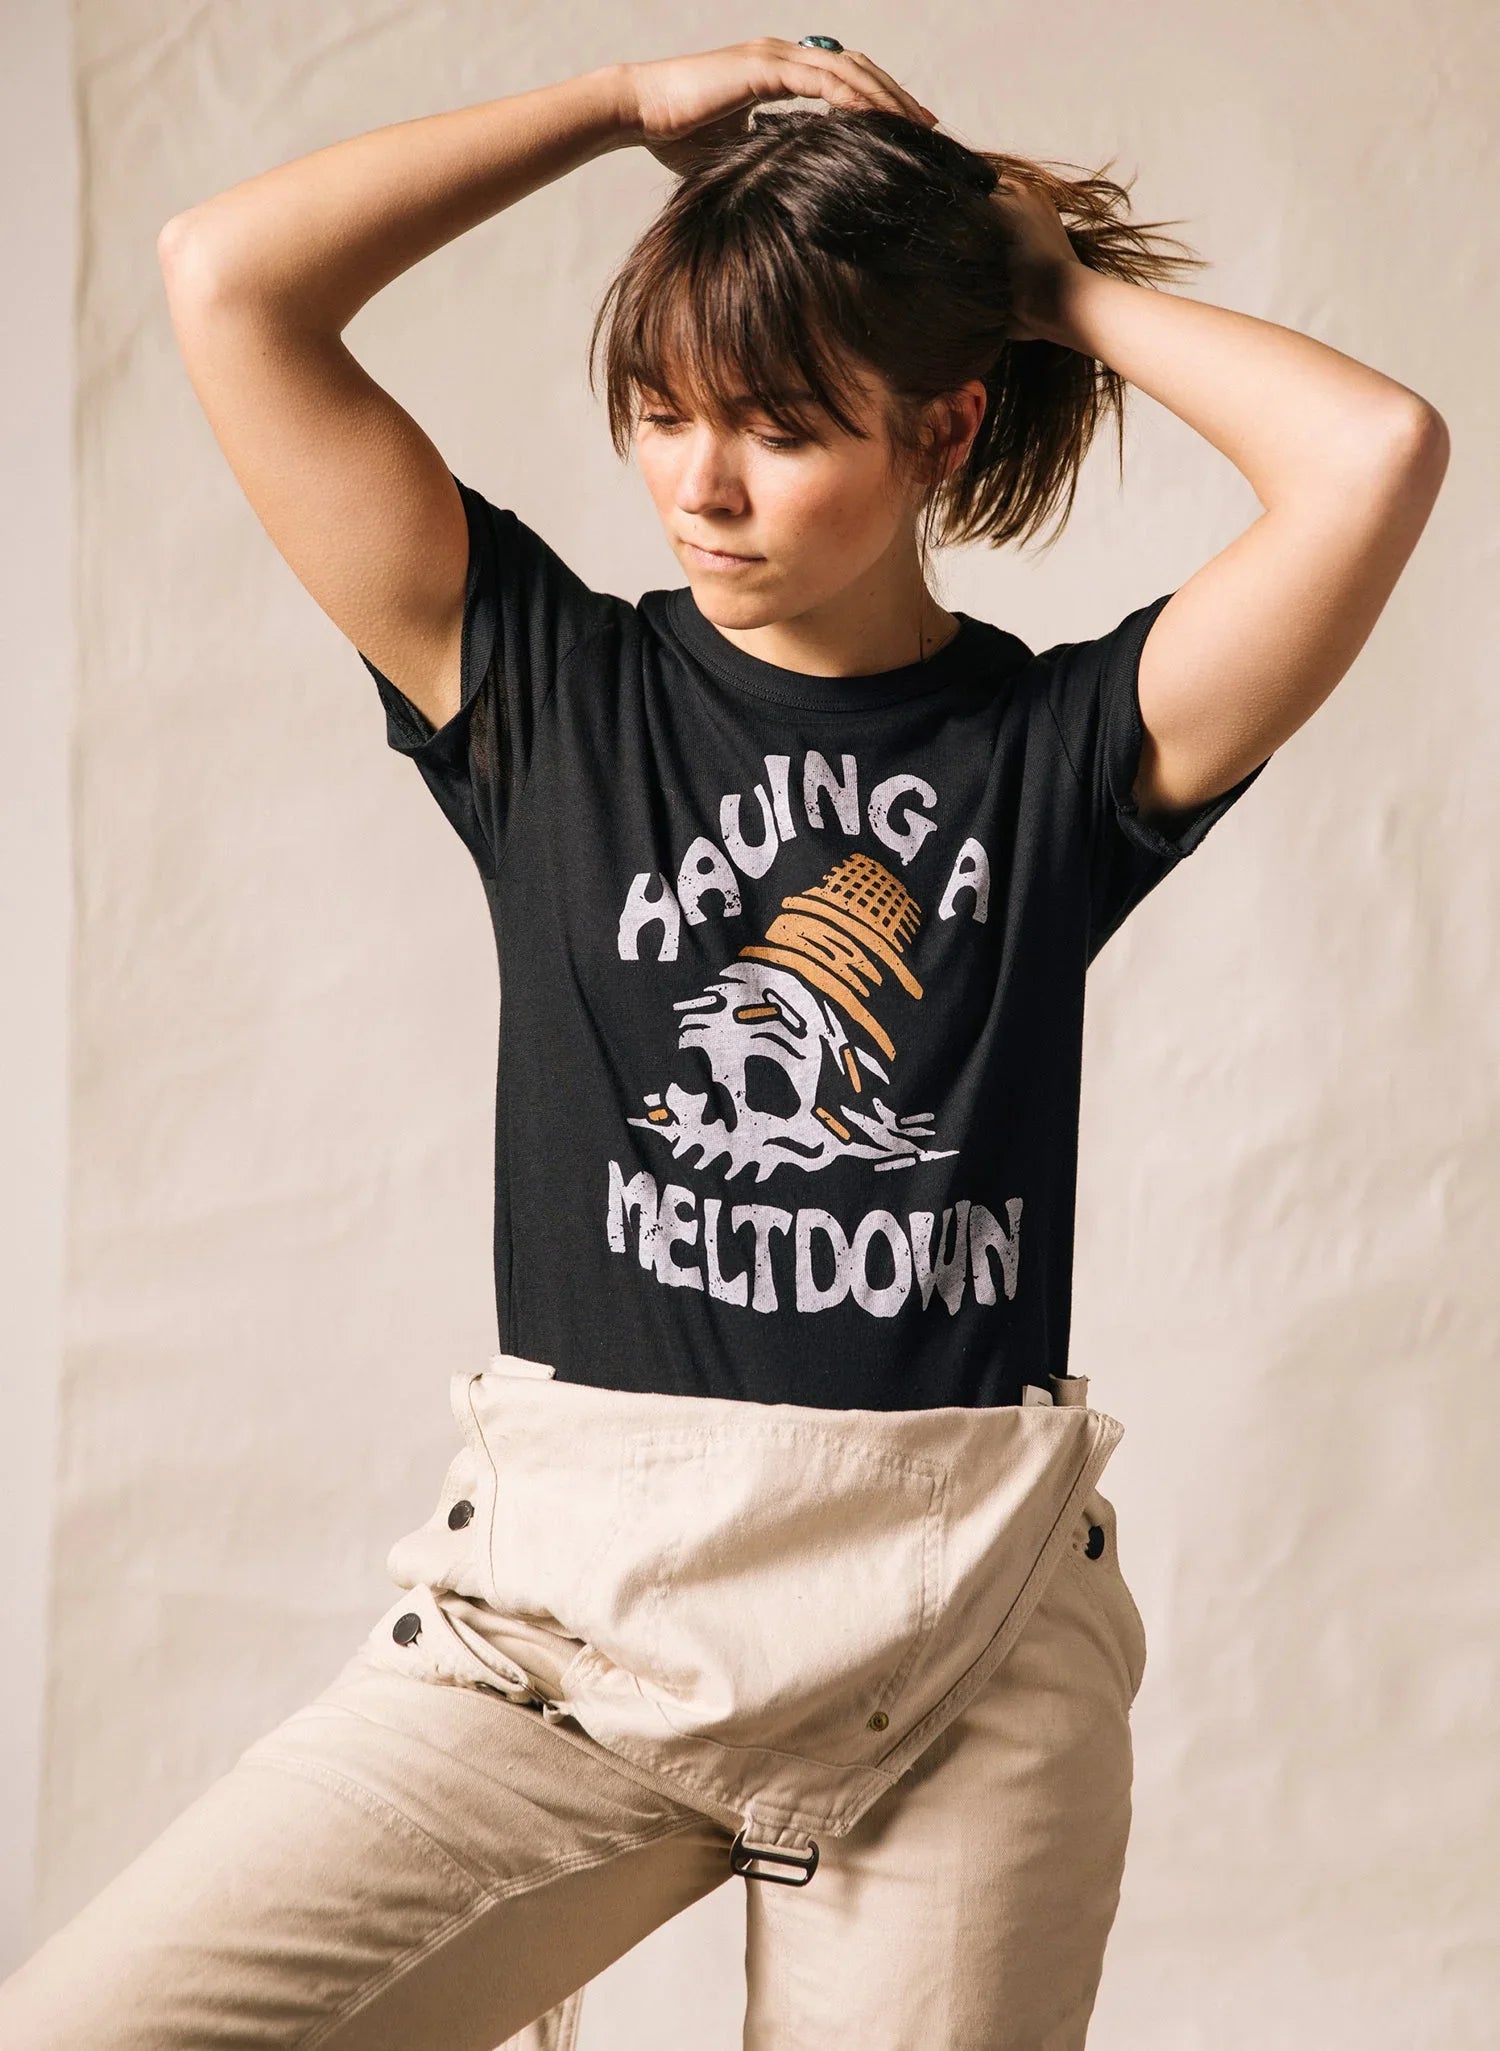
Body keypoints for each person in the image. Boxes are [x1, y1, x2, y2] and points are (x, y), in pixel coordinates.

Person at [2, 37, 1447, 2051]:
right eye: (662, 410)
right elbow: (226, 272)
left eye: (778, 429)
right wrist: (613, 111)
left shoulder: (1053, 762)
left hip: (958, 1660)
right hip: (573, 1629)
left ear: (940, 435)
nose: (699, 482)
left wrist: (1049, 291)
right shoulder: (540, 687)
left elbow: (1375, 454)